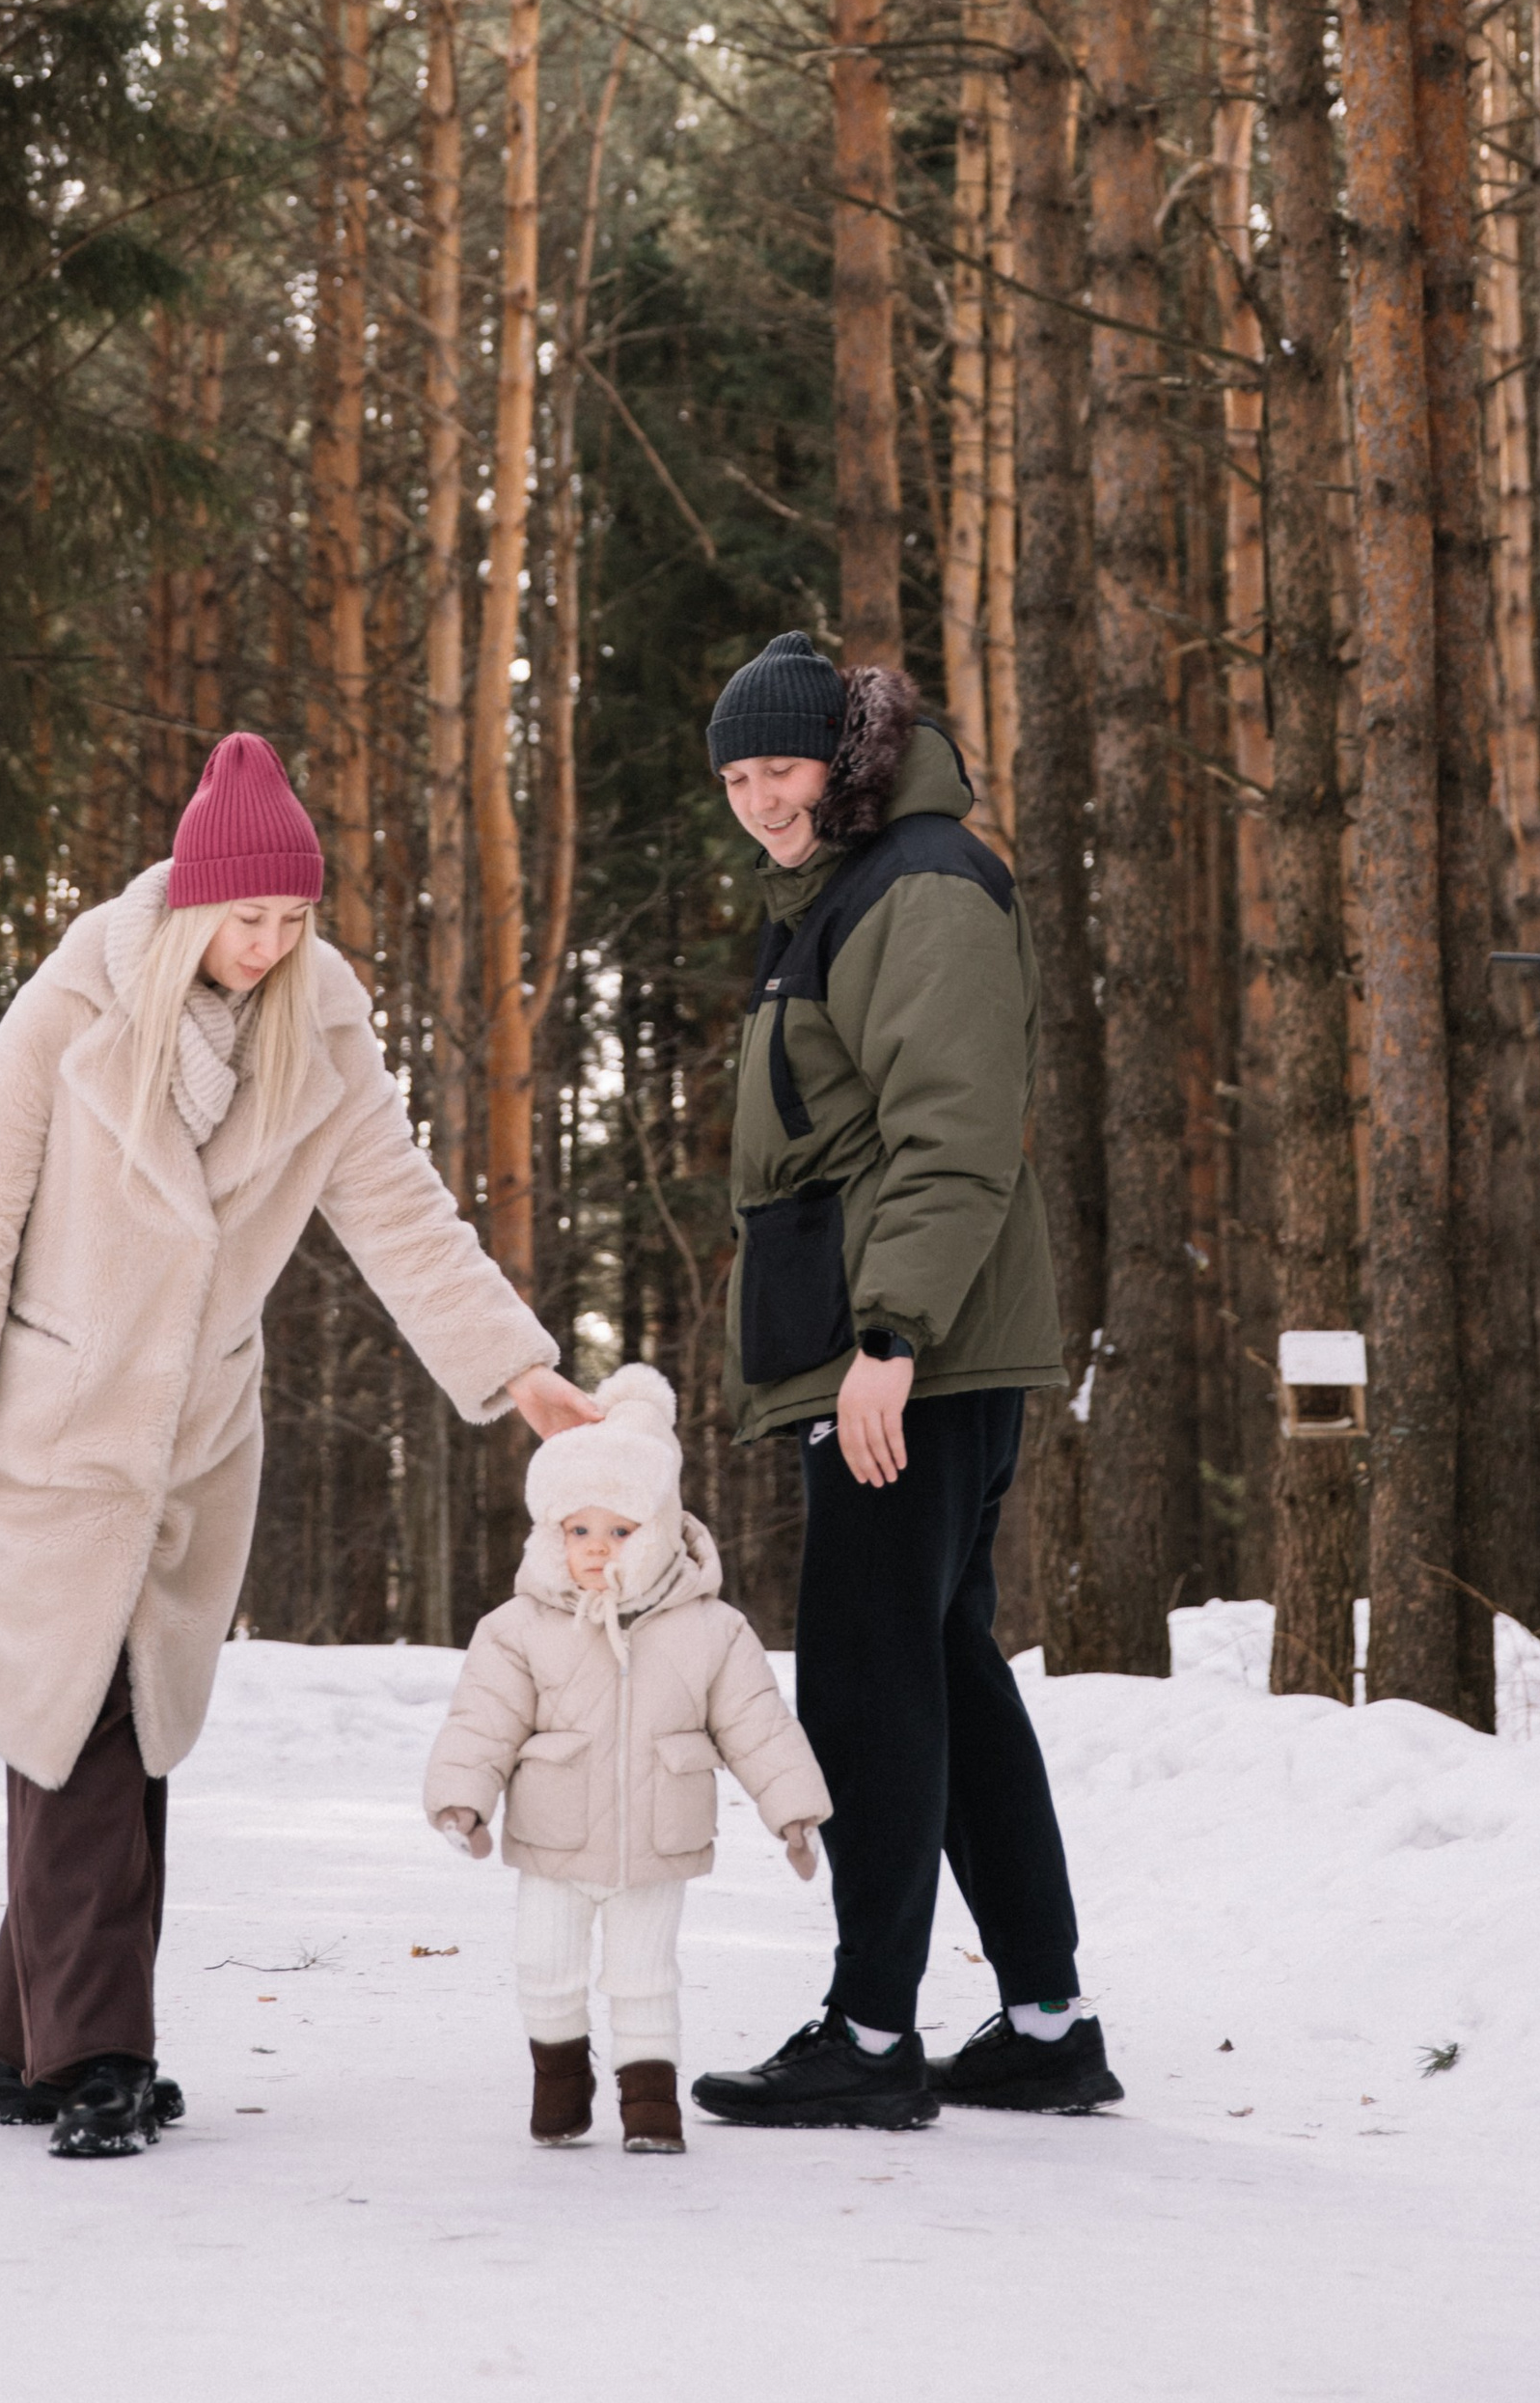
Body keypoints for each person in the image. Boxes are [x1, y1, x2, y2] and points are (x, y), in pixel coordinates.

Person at [0, 730, 597, 2159]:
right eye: (248, 917)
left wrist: (519, 1369)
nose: (270, 945)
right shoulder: (72, 1005)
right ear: (193, 901)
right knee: (70, 1720)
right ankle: (98, 2057)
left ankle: (23, 2044)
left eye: (293, 918)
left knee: (124, 1724)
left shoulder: (320, 1027)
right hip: (52, 1424)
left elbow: (399, 1209)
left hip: (198, 1437)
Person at [684, 631, 1122, 2133]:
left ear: (845, 763)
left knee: (871, 1681)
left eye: (782, 768)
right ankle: (1047, 2020)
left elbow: (953, 1127)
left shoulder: (923, 886)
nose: (759, 799)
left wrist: (889, 1339)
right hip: (894, 1344)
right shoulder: (838, 895)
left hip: (910, 1354)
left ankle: (873, 2035)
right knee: (940, 1667)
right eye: (737, 777)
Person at [424, 1364, 829, 2153]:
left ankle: (650, 2105)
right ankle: (560, 2085)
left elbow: (757, 1724)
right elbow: (483, 1722)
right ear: (551, 1532)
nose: (597, 1550)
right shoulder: (518, 1628)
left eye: (621, 1531)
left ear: (661, 1530)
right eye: (580, 1530)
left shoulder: (711, 1629)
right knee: (545, 1966)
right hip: (554, 1839)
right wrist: (462, 1800)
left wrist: (795, 1812)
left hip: (657, 1842)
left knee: (646, 1976)